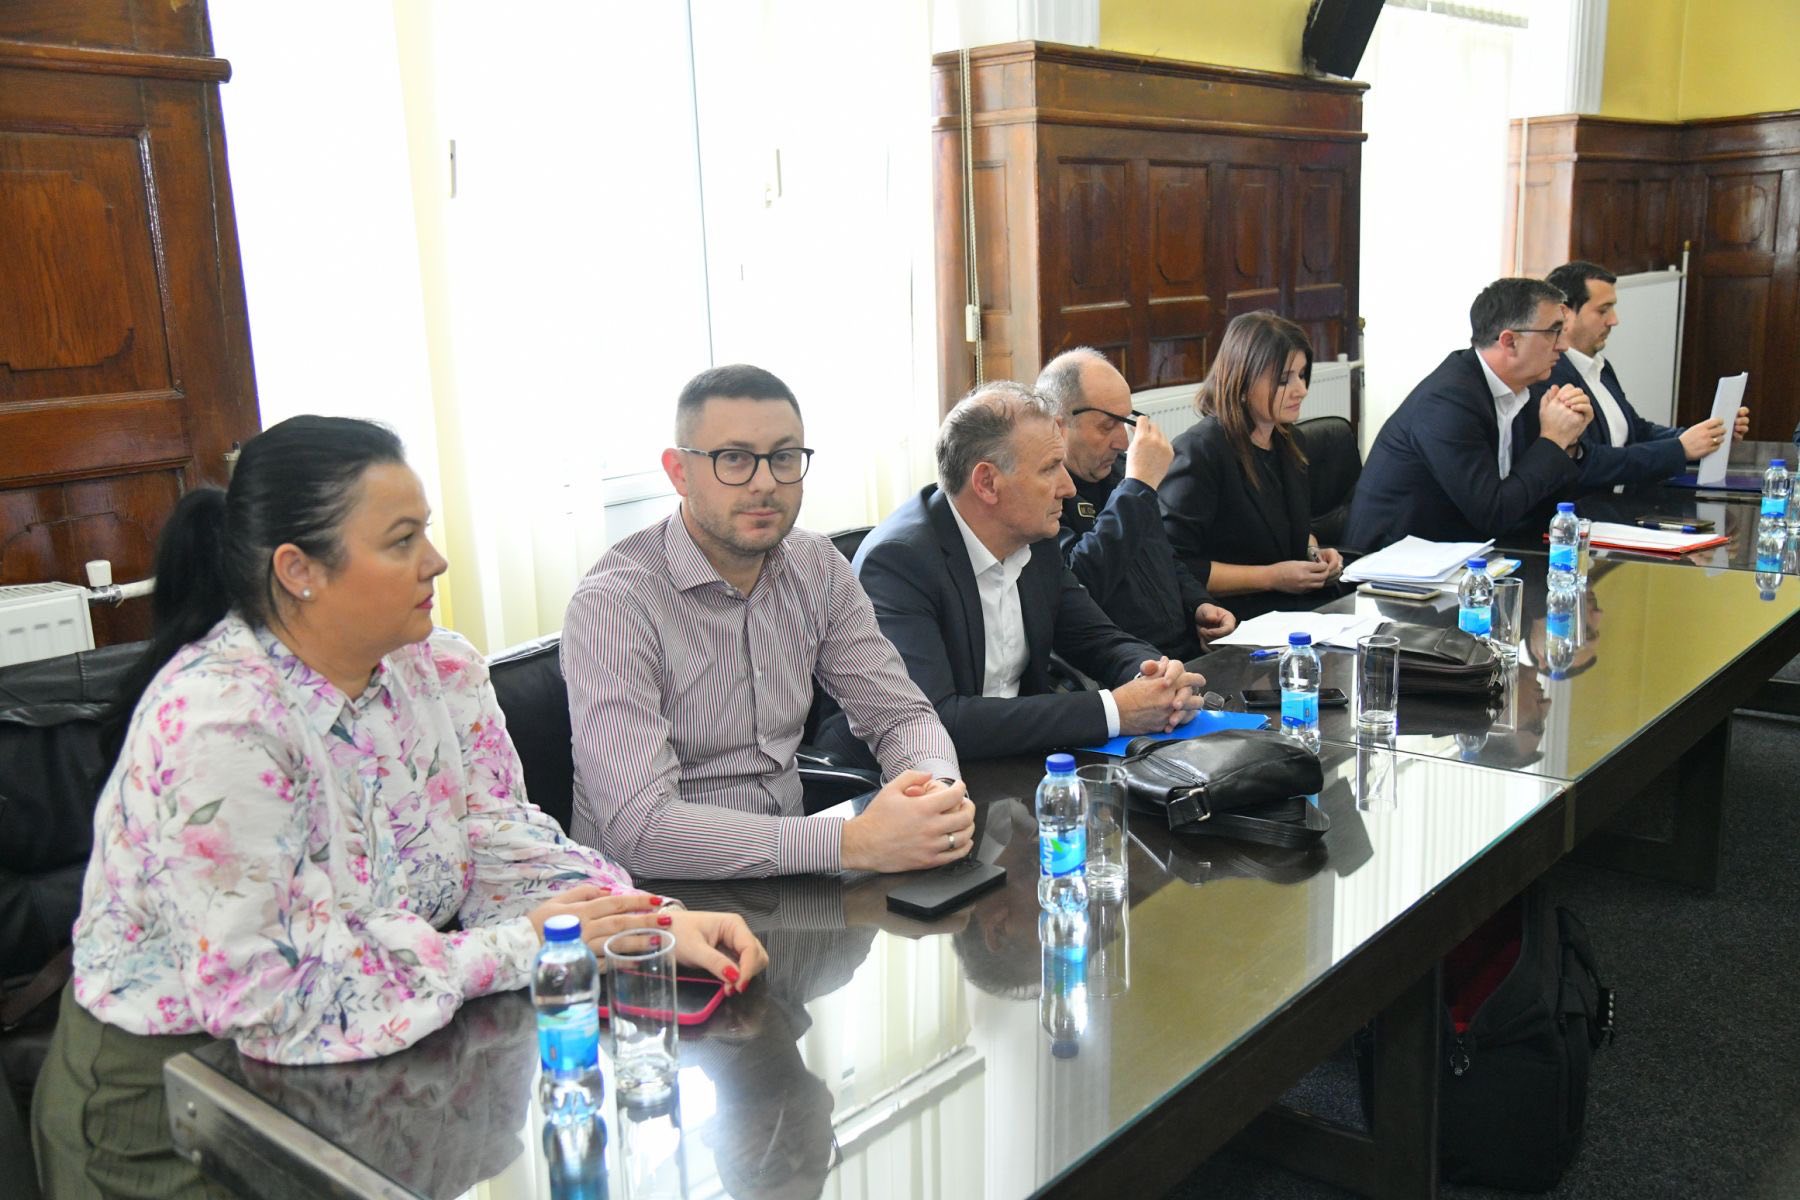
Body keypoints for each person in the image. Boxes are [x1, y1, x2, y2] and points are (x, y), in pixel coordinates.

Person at [33, 416, 767, 1199]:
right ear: (299, 569)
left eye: (427, 530)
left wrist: (642, 924)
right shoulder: (220, 725)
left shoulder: (436, 667)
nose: (436, 559)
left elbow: (499, 837)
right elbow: (273, 994)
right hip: (179, 1099)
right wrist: (523, 948)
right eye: (402, 539)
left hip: (373, 1058)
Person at [562, 364, 973, 881]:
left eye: (783, 457)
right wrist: (852, 842)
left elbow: (899, 715)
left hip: (796, 882)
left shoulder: (817, 566)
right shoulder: (614, 606)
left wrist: (936, 796)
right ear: (678, 472)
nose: (765, 484)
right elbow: (640, 830)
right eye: (734, 459)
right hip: (651, 901)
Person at [822, 381, 1206, 764]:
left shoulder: (1034, 539)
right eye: (1050, 468)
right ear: (987, 483)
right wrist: (1114, 711)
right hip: (905, 777)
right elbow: (936, 719)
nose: (1068, 488)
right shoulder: (899, 562)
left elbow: (1096, 638)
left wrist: (1155, 676)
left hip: (1014, 760)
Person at [1344, 278, 1595, 551]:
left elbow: (1543, 504)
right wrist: (1552, 440)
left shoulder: (1528, 391)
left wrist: (1567, 443)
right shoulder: (1447, 402)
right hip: (1396, 559)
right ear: (1509, 341)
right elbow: (1493, 514)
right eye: (1553, 332)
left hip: (1467, 549)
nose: (1563, 345)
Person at [1036, 348, 1237, 659]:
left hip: (1183, 652)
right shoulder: (1041, 496)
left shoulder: (1121, 472)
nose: (1123, 442)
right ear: (1057, 426)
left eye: (1125, 422)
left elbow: (1164, 557)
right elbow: (1079, 584)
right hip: (1125, 666)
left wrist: (1199, 603)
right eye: (1107, 426)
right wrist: (1138, 487)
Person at [1157, 311, 1347, 619]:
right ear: (1243, 383)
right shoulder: (1199, 451)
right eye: (1284, 379)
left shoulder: (1289, 440)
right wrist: (1271, 577)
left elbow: (1291, 529)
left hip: (1297, 608)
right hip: (1237, 616)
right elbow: (1174, 563)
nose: (1301, 390)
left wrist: (1314, 552)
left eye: (1302, 375)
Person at [1515, 260, 1749, 487]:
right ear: (1565, 314)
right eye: (1603, 310)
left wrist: (1705, 436)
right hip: (1584, 507)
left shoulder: (1601, 367)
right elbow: (1588, 462)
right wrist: (1680, 449)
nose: (1614, 320)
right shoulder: (1549, 375)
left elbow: (1638, 431)